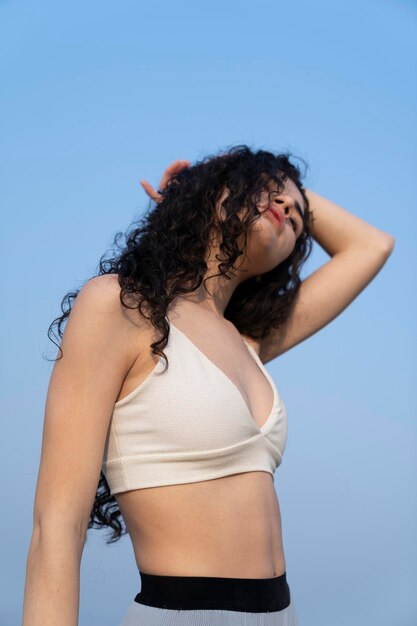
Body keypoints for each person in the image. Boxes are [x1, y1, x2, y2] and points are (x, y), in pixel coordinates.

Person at [22, 145, 395, 625]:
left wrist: (278, 189)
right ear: (211, 194)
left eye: (299, 220)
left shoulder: (249, 344)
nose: (286, 209)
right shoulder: (121, 307)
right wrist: (216, 182)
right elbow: (56, 524)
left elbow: (373, 245)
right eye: (266, 189)